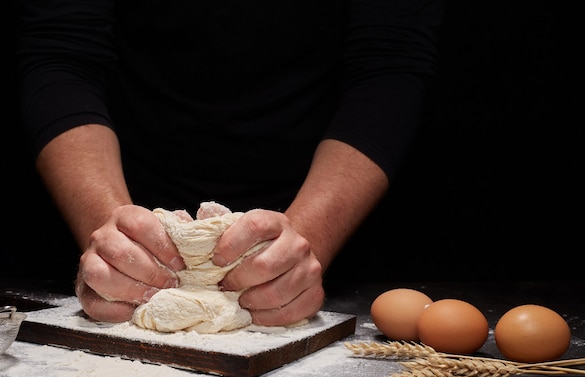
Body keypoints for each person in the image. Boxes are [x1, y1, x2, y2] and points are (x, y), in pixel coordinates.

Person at [14, 0, 443, 327]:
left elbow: (388, 63)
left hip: (326, 203)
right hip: (125, 172)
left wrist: (306, 240)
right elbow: (62, 51)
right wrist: (112, 236)